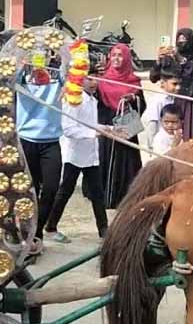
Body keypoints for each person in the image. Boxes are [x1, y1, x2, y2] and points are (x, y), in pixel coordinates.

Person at [47, 71, 113, 241]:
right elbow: (68, 129)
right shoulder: (74, 98)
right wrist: (95, 133)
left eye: (96, 79)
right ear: (80, 79)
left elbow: (90, 124)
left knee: (98, 193)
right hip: (74, 154)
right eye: (89, 78)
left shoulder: (92, 99)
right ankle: (51, 226)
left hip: (90, 154)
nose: (93, 82)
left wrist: (108, 129)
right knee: (65, 191)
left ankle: (103, 230)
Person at [16, 58, 64, 245]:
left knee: (51, 188)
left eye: (42, 62)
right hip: (27, 142)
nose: (39, 68)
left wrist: (68, 54)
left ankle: (38, 230)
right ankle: (29, 233)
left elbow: (69, 75)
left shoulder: (57, 82)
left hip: (51, 142)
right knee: (29, 190)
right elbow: (10, 77)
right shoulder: (23, 81)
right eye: (36, 63)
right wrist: (22, 62)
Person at [97, 43, 145, 208]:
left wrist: (133, 99)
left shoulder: (134, 82)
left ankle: (125, 198)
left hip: (127, 125)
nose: (116, 59)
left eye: (120, 56)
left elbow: (142, 106)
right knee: (106, 160)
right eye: (114, 55)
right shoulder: (102, 80)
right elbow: (97, 105)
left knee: (126, 162)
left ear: (126, 59)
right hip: (108, 125)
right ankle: (103, 197)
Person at [155, 28, 193, 140]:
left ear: (191, 42)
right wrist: (159, 61)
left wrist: (180, 59)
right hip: (171, 100)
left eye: (184, 40)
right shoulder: (171, 60)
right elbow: (153, 77)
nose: (181, 42)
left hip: (189, 103)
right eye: (179, 39)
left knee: (189, 137)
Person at [143, 63, 181, 140]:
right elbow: (152, 126)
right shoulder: (157, 101)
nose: (178, 87)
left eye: (180, 84)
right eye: (174, 84)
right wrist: (152, 147)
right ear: (163, 83)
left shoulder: (173, 98)